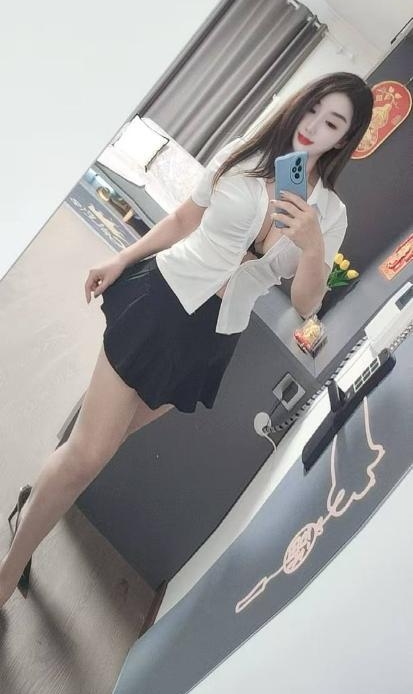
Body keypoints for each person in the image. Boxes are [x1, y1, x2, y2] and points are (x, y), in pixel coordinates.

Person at [0, 72, 373, 608]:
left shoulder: (330, 214)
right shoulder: (243, 155)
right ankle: (9, 572)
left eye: (332, 122)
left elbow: (306, 304)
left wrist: (313, 246)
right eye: (313, 108)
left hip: (211, 339)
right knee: (88, 453)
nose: (314, 126)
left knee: (98, 451)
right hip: (162, 301)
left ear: (344, 139)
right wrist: (122, 257)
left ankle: (31, 506)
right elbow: (183, 219)